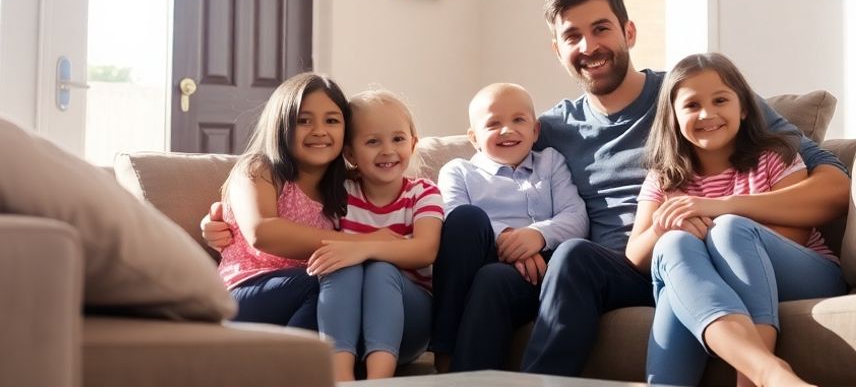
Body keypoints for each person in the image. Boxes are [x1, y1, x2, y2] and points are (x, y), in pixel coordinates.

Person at [512, 0, 850, 376]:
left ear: (629, 31)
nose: (589, 46)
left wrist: (715, 209)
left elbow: (828, 176)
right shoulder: (552, 130)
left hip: (712, 258)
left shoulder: (688, 90)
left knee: (714, 237)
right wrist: (532, 234)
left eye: (601, 28)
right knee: (576, 259)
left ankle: (761, 373)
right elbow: (500, 170)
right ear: (558, 48)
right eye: (572, 36)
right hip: (639, 263)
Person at [625, 53, 845, 387]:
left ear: (743, 108)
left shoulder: (775, 155)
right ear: (672, 117)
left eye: (720, 100)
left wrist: (715, 208)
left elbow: (795, 234)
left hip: (804, 274)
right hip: (709, 283)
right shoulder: (664, 178)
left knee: (730, 228)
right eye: (692, 105)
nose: (707, 114)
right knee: (673, 246)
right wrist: (663, 225)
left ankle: (752, 379)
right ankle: (769, 372)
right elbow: (636, 257)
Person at [429, 82, 588, 372]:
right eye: (493, 124)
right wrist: (509, 239)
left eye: (518, 120)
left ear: (535, 131)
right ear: (474, 137)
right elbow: (449, 219)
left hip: (539, 271)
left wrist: (537, 235)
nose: (507, 130)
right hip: (477, 263)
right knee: (466, 219)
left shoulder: (551, 162)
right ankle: (446, 348)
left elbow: (576, 216)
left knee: (494, 279)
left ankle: (467, 377)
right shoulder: (459, 171)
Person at [305, 89, 445, 381]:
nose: (387, 150)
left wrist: (364, 248)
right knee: (338, 265)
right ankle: (341, 376)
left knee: (380, 270)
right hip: (349, 329)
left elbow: (426, 250)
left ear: (413, 143)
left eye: (398, 139)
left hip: (409, 326)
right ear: (350, 153)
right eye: (372, 141)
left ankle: (378, 380)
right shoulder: (340, 195)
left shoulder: (423, 193)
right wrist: (218, 214)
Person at [214, 72, 351, 334]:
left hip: (302, 295)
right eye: (303, 121)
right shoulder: (259, 169)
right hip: (241, 292)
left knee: (336, 287)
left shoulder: (346, 186)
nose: (319, 131)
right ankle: (298, 372)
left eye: (332, 120)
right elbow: (262, 231)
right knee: (319, 285)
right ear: (282, 124)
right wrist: (363, 244)